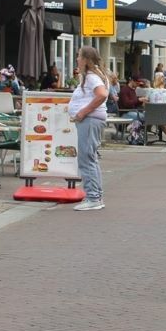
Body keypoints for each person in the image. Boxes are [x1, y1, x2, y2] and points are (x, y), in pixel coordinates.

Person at [68, 46, 109, 211]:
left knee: (86, 158)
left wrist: (83, 112)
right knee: (90, 157)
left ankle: (93, 197)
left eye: (78, 56)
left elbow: (102, 94)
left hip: (90, 120)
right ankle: (96, 195)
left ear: (85, 60)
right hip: (92, 120)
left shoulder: (91, 77)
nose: (77, 59)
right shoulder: (95, 76)